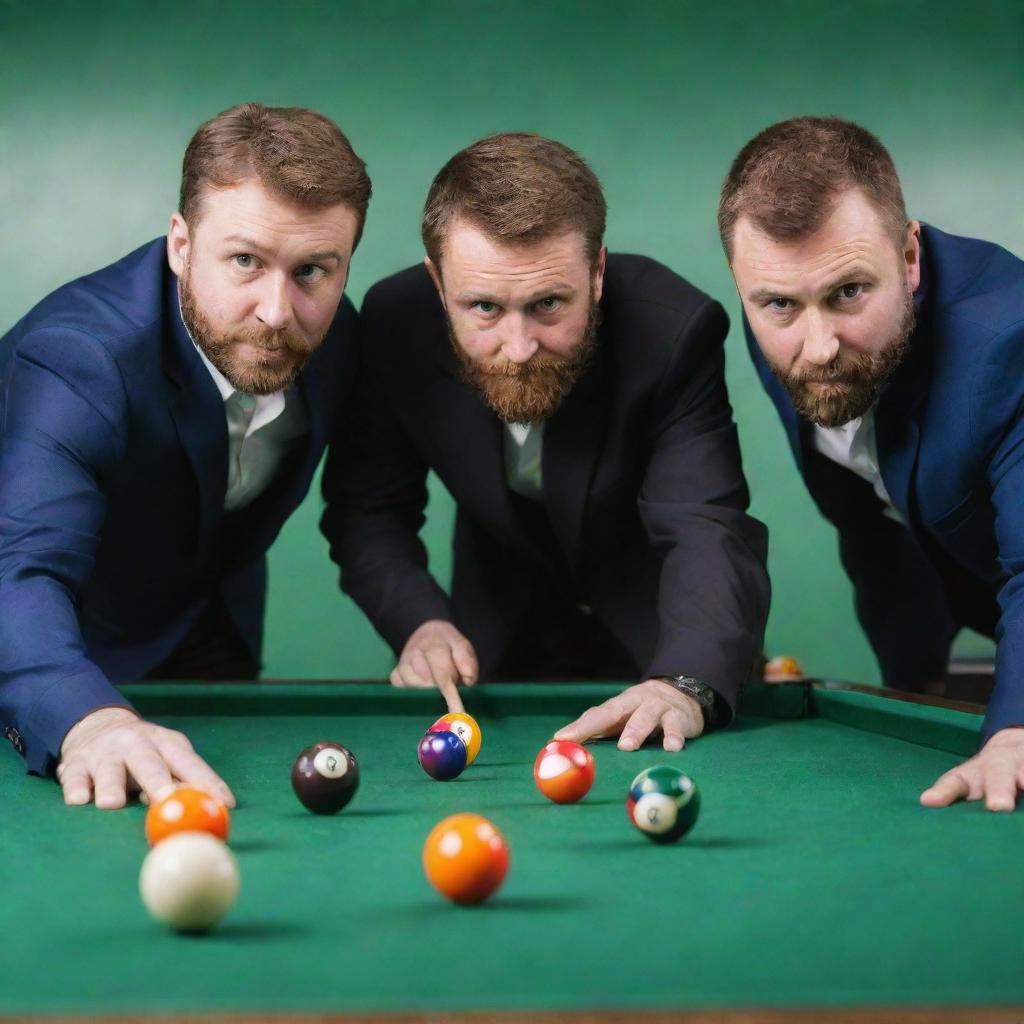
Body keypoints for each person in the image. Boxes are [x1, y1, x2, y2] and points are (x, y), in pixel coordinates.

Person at [321, 132, 770, 751]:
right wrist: (420, 623)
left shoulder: (673, 330)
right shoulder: (396, 324)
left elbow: (705, 523)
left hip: (662, 642)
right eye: (483, 307)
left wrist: (686, 680)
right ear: (436, 283)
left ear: (598, 272)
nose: (519, 347)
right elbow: (368, 512)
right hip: (493, 650)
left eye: (549, 304)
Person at [0, 102, 370, 810]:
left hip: (208, 621)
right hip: (42, 643)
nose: (276, 312)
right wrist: (86, 718)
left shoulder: (337, 338)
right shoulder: (82, 360)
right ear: (179, 244)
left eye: (314, 271)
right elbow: (22, 566)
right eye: (244, 261)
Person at [721, 115, 1024, 811]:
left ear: (910, 257)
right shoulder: (784, 315)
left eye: (849, 292)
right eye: (778, 304)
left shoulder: (1009, 344)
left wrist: (1015, 725)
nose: (820, 346)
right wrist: (915, 696)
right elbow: (874, 528)